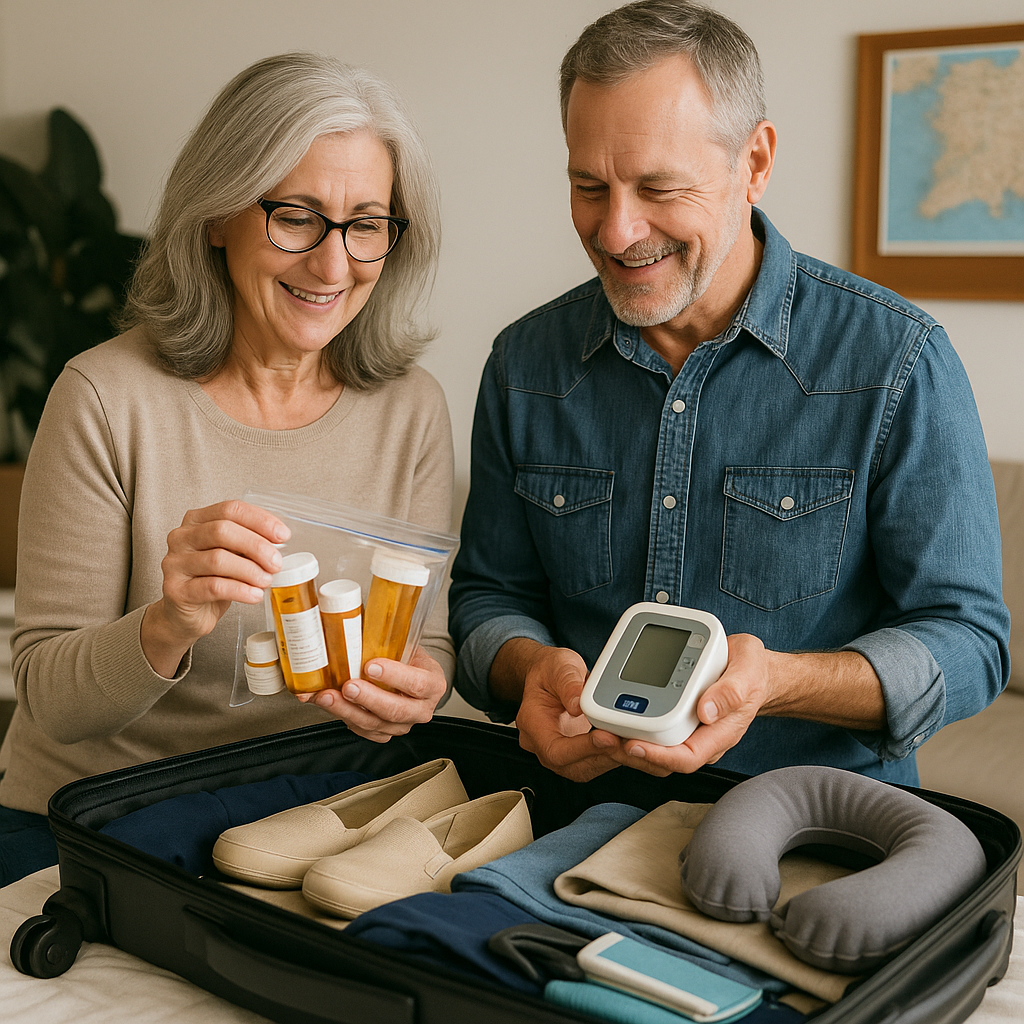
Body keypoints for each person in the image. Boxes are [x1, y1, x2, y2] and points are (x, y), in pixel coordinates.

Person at [449, 1, 1009, 786]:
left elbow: (969, 641)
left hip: (812, 828)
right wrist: (525, 670)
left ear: (756, 161)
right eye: (588, 186)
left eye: (659, 187)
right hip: (569, 815)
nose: (615, 232)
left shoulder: (898, 359)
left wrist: (778, 682)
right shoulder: (523, 364)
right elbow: (487, 597)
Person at [1, 52, 453, 885]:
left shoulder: (412, 407)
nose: (332, 264)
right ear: (216, 217)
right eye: (296, 216)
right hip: (96, 817)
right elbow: (50, 700)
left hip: (307, 817)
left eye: (365, 224)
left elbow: (428, 644)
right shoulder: (104, 397)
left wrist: (419, 686)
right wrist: (169, 620)